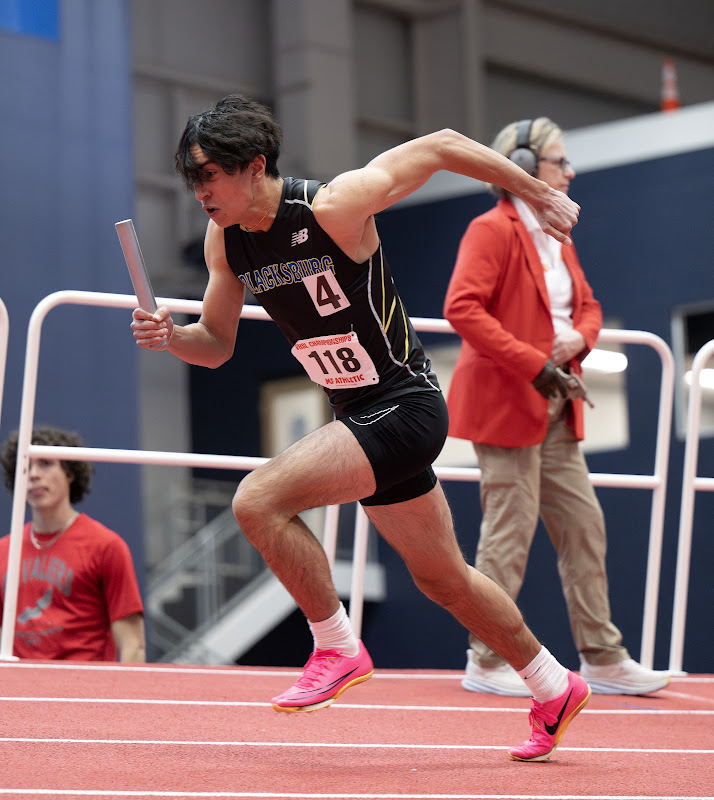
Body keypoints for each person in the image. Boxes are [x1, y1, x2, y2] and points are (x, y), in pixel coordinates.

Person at [131, 94, 588, 762]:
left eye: (209, 176)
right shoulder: (225, 241)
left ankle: (337, 646)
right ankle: (553, 683)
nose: (199, 192)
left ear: (254, 166)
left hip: (406, 404)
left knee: (257, 500)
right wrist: (171, 337)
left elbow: (439, 143)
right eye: (191, 180)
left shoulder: (333, 206)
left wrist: (536, 191)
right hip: (359, 416)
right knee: (444, 579)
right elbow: (217, 344)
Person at [443, 117, 670, 698]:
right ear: (522, 167)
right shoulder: (490, 229)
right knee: (508, 535)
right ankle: (486, 660)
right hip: (506, 404)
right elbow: (462, 308)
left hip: (555, 406)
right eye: (559, 161)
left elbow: (588, 306)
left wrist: (578, 340)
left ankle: (603, 657)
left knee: (584, 527)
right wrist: (535, 362)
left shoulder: (553, 230)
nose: (569, 172)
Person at [0, 426, 146, 662]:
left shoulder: (106, 547)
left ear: (70, 473)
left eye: (45, 464)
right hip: (22, 682)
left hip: (85, 681)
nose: (33, 474)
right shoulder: (4, 551)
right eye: (25, 465)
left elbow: (133, 646)